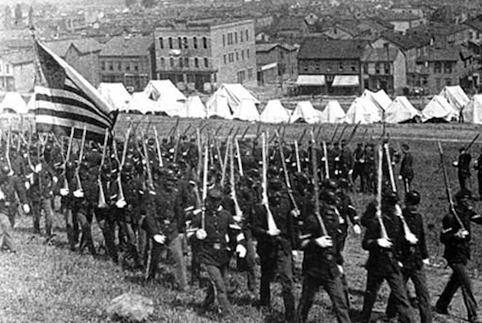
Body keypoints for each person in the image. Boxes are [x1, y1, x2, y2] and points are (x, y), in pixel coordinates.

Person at [295, 188, 352, 323]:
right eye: (330, 204)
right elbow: (300, 243)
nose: (332, 208)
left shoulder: (336, 220)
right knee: (306, 302)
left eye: (334, 205)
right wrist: (315, 242)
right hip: (313, 268)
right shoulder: (312, 220)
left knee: (340, 303)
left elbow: (336, 245)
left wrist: (338, 262)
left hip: (330, 268)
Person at [359, 190, 415, 323]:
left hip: (392, 264)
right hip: (377, 263)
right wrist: (377, 242)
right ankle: (363, 319)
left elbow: (401, 243)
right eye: (391, 204)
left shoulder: (398, 221)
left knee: (401, 297)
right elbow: (365, 244)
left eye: (394, 204)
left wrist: (406, 245)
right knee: (370, 296)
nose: (393, 207)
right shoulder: (376, 221)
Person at [189, 187, 246, 317]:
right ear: (207, 200)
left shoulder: (226, 215)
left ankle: (207, 303)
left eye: (216, 201)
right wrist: (197, 235)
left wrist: (241, 245)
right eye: (211, 200)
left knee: (221, 282)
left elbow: (237, 232)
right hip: (207, 255)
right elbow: (189, 235)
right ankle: (227, 314)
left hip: (222, 255)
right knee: (220, 285)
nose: (213, 204)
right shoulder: (201, 216)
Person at [252, 176, 297, 322]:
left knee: (287, 279)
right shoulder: (261, 208)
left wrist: (294, 247)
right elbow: (254, 229)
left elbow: (291, 228)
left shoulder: (286, 206)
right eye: (274, 191)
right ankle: (264, 302)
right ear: (268, 192)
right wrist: (266, 233)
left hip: (283, 247)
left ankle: (290, 312)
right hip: (267, 247)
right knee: (266, 276)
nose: (277, 195)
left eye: (279, 191)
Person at [435, 190, 482, 323]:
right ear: (461, 201)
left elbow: (478, 219)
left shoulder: (467, 213)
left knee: (455, 282)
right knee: (466, 283)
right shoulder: (450, 217)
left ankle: (441, 305)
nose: (470, 203)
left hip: (463, 254)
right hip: (453, 255)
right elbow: (443, 238)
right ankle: (472, 315)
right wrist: (456, 235)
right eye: (467, 200)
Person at [385, 191, 432, 323]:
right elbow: (394, 240)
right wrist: (398, 255)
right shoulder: (399, 218)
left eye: (416, 204)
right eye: (412, 204)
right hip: (403, 260)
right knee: (398, 292)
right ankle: (390, 315)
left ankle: (427, 320)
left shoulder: (418, 218)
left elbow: (421, 237)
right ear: (406, 203)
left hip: (416, 261)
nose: (414, 207)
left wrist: (425, 255)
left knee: (423, 293)